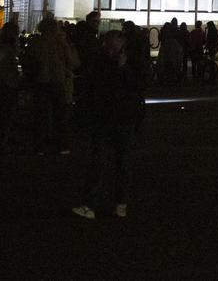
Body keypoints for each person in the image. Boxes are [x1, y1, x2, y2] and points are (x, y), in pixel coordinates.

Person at [73, 30, 144, 220]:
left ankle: (119, 203)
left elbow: (138, 87)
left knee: (120, 164)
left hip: (121, 119)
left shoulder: (130, 63)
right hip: (106, 118)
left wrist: (123, 69)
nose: (110, 51)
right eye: (108, 47)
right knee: (99, 162)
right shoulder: (101, 62)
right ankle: (91, 204)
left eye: (113, 47)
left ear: (122, 47)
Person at [27, 17, 76, 155]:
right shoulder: (61, 42)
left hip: (40, 81)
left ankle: (39, 146)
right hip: (57, 80)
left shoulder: (35, 42)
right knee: (60, 115)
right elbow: (71, 61)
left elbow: (29, 61)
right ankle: (62, 145)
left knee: (40, 115)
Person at [0, 22, 21, 153]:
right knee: (5, 114)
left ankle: (1, 138)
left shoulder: (0, 46)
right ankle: (1, 142)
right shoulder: (6, 49)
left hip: (3, 83)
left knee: (2, 113)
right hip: (6, 84)